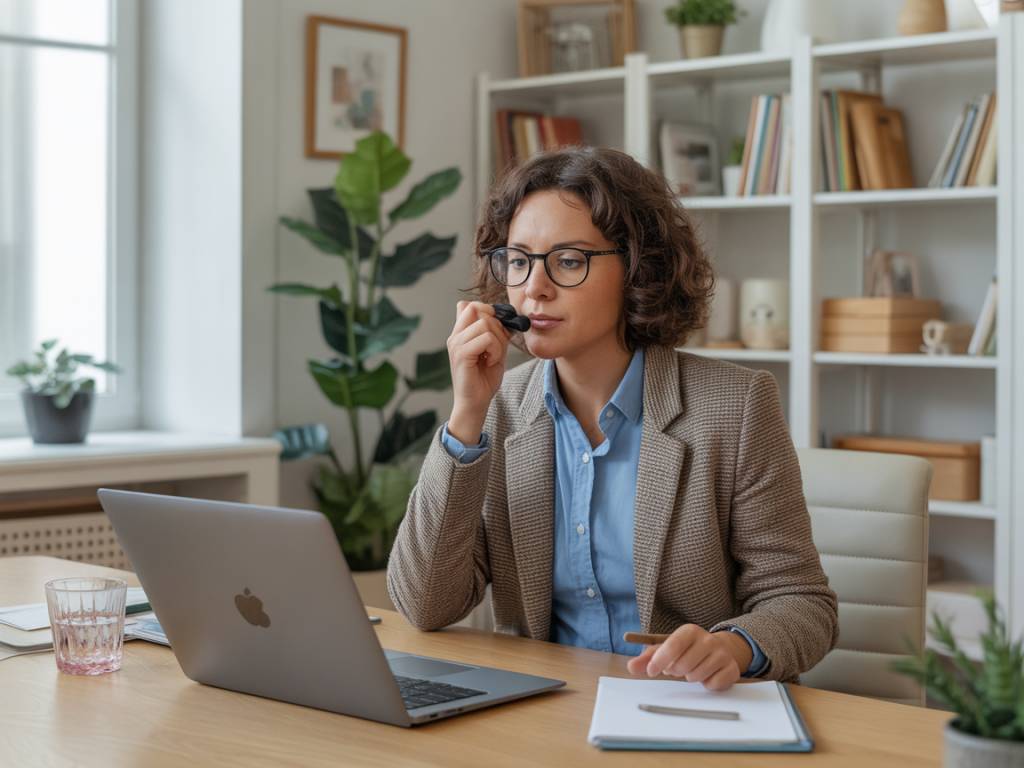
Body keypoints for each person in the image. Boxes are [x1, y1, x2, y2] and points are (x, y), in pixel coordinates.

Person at [387, 146, 838, 690]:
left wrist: (733, 647)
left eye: (569, 260)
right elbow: (424, 603)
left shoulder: (736, 407)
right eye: (519, 259)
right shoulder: (499, 407)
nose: (534, 287)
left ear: (637, 268)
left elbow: (802, 602)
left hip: (681, 706)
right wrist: (465, 416)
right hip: (541, 709)